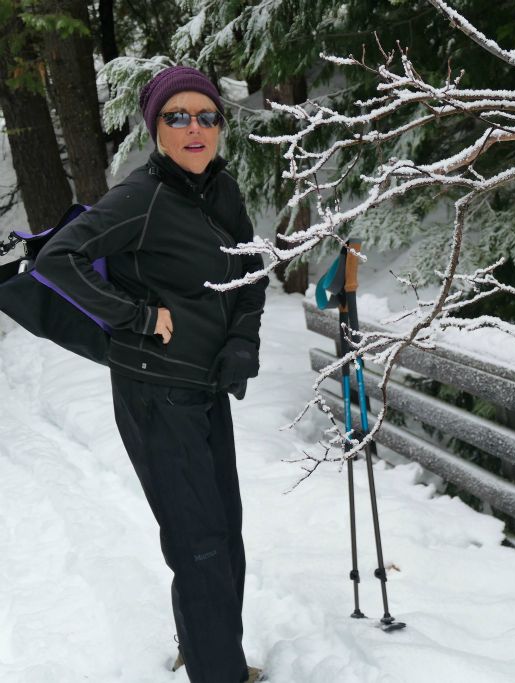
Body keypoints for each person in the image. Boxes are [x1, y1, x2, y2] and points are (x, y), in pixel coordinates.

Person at [35, 66, 268, 683]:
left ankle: (211, 649)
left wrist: (242, 342)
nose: (195, 128)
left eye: (207, 116)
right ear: (155, 127)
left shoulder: (223, 191)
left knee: (225, 532)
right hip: (155, 392)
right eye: (178, 117)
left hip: (206, 386)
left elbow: (252, 273)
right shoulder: (141, 197)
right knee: (200, 541)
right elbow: (58, 260)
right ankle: (220, 673)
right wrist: (136, 316)